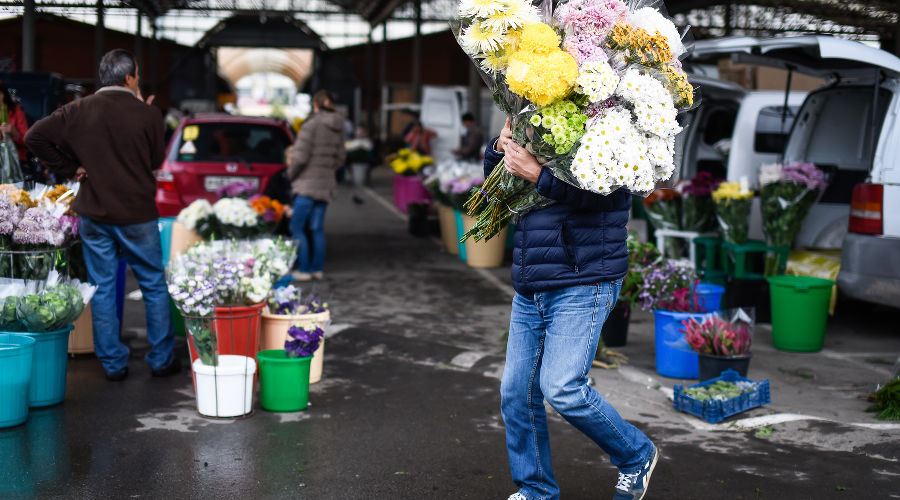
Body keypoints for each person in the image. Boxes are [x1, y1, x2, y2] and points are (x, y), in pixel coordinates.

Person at [486, 119, 657, 500]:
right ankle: (535, 489)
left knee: (562, 388)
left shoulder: (612, 120)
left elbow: (609, 195)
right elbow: (500, 187)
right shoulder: (536, 111)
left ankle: (636, 454)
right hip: (533, 277)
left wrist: (538, 175)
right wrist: (501, 149)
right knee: (516, 393)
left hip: (582, 276)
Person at [25, 49, 177, 382]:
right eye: (137, 75)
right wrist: (144, 111)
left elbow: (34, 136)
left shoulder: (78, 109)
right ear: (129, 78)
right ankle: (161, 359)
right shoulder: (149, 114)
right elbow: (155, 161)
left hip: (94, 213)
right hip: (137, 214)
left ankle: (113, 364)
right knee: (153, 285)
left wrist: (70, 167)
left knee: (104, 288)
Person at [286, 90, 346, 281]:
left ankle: (304, 270)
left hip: (307, 185)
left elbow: (300, 158)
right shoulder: (337, 127)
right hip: (325, 185)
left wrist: (290, 175)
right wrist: (327, 171)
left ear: (315, 105)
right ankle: (317, 269)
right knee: (316, 229)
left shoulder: (311, 125)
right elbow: (341, 158)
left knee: (296, 227)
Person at [0, 80, 29, 178]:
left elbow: (27, 140)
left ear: (4, 95)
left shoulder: (16, 112)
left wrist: (14, 132)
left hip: (15, 160)